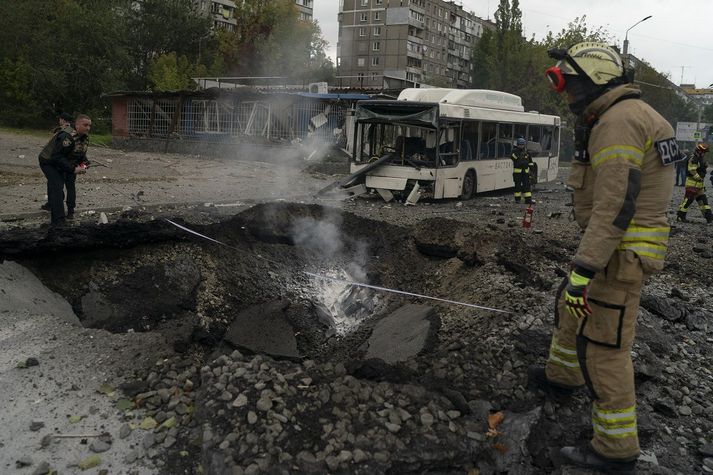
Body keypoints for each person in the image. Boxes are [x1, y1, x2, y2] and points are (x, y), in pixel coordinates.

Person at [529, 42, 678, 473]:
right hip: (613, 249)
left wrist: (584, 268)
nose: (567, 95)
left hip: (618, 254)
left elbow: (615, 206)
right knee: (569, 310)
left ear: (594, 81)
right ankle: (562, 380)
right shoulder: (629, 114)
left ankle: (615, 450)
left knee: (604, 347)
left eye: (570, 85)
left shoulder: (619, 122)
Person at [38, 114, 91, 225]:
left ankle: (67, 212)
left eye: (89, 125)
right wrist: (72, 169)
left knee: (66, 185)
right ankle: (58, 221)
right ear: (77, 124)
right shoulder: (66, 136)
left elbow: (80, 155)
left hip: (63, 162)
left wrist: (84, 166)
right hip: (48, 162)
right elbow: (56, 157)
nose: (88, 128)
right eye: (85, 125)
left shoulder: (85, 138)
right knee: (57, 187)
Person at [40, 112, 75, 211]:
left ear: (63, 120)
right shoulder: (69, 129)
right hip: (65, 161)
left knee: (58, 184)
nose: (59, 121)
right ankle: (55, 205)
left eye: (60, 119)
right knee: (58, 183)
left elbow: (60, 147)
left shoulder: (67, 130)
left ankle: (57, 205)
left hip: (62, 161)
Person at [676, 143, 712, 223]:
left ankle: (709, 217)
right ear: (698, 152)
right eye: (703, 152)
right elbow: (692, 170)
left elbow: (701, 169)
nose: (703, 154)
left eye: (704, 153)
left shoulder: (700, 159)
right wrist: (699, 178)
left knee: (703, 201)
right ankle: (680, 216)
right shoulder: (694, 159)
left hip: (699, 186)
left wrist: (704, 166)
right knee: (688, 200)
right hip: (692, 184)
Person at [511, 137, 533, 204]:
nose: (521, 146)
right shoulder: (514, 151)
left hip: (525, 173)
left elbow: (530, 162)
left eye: (522, 144)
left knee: (527, 187)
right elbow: (513, 157)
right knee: (517, 187)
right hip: (517, 173)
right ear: (517, 145)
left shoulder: (527, 153)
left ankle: (528, 200)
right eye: (520, 145)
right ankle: (517, 200)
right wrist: (518, 153)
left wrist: (531, 171)